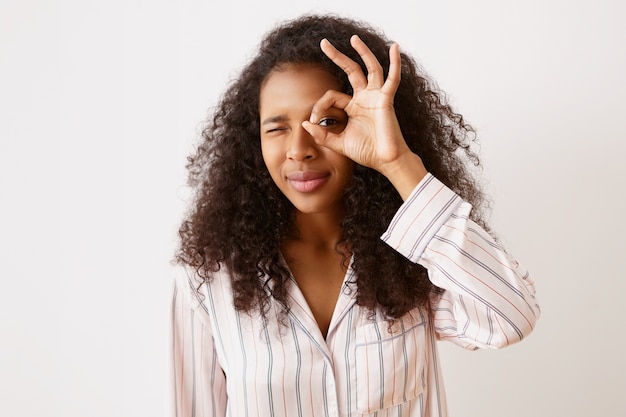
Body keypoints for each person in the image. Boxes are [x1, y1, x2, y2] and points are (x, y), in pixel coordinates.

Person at [171, 13, 540, 417]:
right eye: (276, 128)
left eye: (327, 121)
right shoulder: (209, 276)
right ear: (251, 142)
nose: (300, 148)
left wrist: (397, 160)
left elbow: (510, 317)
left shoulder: (412, 259)